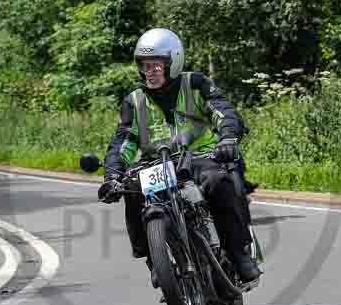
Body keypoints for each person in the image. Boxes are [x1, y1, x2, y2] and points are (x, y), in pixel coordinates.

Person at [98, 28, 260, 285]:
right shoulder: (134, 100)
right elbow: (124, 140)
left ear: (172, 63)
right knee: (132, 192)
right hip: (157, 164)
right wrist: (113, 174)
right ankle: (155, 261)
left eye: (156, 65)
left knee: (219, 183)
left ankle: (239, 254)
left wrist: (228, 137)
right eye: (144, 66)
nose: (149, 71)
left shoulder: (195, 83)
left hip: (201, 155)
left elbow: (222, 111)